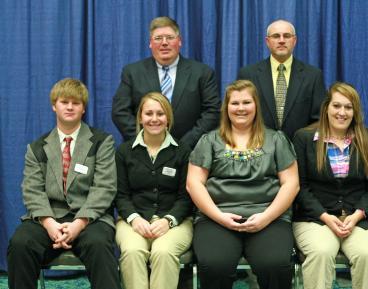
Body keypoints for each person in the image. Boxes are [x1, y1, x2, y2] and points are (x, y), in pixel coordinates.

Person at [7, 78, 121, 289]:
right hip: (48, 218)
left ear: (83, 108)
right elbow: (32, 190)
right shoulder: (37, 147)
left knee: (99, 245)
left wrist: (79, 223)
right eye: (64, 102)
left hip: (90, 220)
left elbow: (104, 188)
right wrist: (49, 223)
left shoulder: (102, 142)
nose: (70, 107)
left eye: (76, 103)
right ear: (54, 106)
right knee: (20, 243)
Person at [186, 80, 299, 289]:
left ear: (256, 105)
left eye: (246, 102)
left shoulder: (276, 140)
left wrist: (266, 218)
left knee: (275, 265)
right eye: (234, 103)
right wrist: (220, 218)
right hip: (217, 217)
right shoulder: (209, 141)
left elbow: (291, 184)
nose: (240, 108)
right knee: (214, 265)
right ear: (226, 108)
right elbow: (194, 184)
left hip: (268, 216)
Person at [292, 82, 368, 289]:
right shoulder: (304, 138)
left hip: (361, 219)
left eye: (348, 107)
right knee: (321, 253)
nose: (342, 112)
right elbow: (300, 186)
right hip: (315, 219)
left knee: (366, 255)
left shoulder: (366, 138)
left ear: (355, 112)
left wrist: (357, 214)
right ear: (326, 108)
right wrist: (325, 216)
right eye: (336, 106)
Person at [115, 92, 193, 289]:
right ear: (140, 118)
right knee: (132, 251)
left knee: (163, 252)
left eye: (160, 113)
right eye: (149, 113)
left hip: (176, 222)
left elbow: (186, 197)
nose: (154, 119)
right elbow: (121, 196)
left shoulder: (183, 151)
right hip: (133, 220)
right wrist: (134, 218)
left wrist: (169, 220)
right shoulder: (124, 152)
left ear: (168, 118)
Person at [112, 16, 220, 148]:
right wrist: (145, 140)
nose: (164, 43)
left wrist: (183, 145)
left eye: (170, 37)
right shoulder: (132, 72)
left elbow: (212, 111)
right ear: (150, 43)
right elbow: (120, 111)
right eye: (158, 38)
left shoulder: (202, 72)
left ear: (179, 41)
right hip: (143, 153)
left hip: (190, 152)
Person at [238, 19, 325, 139]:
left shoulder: (313, 75)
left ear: (294, 41)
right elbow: (241, 115)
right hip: (258, 149)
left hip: (298, 151)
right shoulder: (248, 74)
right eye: (276, 36)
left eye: (287, 36)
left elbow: (319, 119)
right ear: (267, 41)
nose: (282, 40)